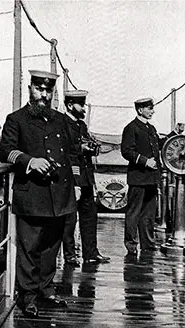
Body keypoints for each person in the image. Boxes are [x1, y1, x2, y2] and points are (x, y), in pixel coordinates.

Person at [0, 70, 77, 318]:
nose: (44, 95)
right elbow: (6, 151)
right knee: (30, 248)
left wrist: (74, 185)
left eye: (48, 91)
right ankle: (29, 296)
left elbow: (71, 152)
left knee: (51, 246)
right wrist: (30, 161)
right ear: (30, 88)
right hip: (32, 194)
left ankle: (47, 289)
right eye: (39, 89)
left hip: (59, 194)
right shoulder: (16, 119)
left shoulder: (61, 120)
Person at [62, 90, 110, 267]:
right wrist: (75, 183)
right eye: (80, 105)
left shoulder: (81, 125)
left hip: (87, 179)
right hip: (73, 180)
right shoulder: (63, 124)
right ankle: (70, 255)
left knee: (90, 217)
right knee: (70, 220)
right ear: (69, 105)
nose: (83, 108)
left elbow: (85, 148)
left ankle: (91, 253)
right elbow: (67, 152)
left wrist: (92, 147)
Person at [120, 98, 165, 256]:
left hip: (151, 179)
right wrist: (145, 162)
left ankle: (148, 244)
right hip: (138, 177)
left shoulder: (151, 128)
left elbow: (158, 144)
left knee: (149, 214)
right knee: (134, 212)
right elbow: (126, 151)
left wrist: (175, 134)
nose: (152, 111)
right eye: (149, 108)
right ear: (140, 110)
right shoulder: (131, 128)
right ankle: (131, 245)